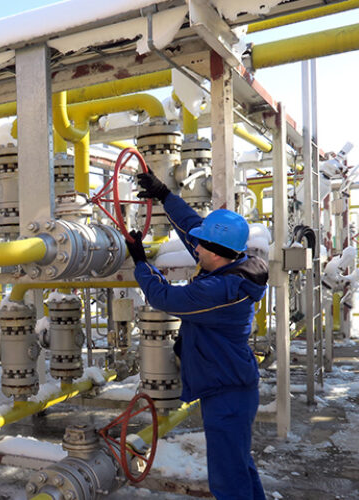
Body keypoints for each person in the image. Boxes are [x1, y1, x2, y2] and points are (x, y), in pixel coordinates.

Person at [125, 170, 268, 500]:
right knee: (238, 466)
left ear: (214, 252)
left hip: (227, 393)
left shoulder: (222, 289)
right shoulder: (229, 262)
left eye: (201, 245)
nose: (195, 247)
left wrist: (141, 263)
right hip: (230, 383)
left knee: (228, 480)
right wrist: (164, 195)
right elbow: (192, 228)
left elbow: (165, 298)